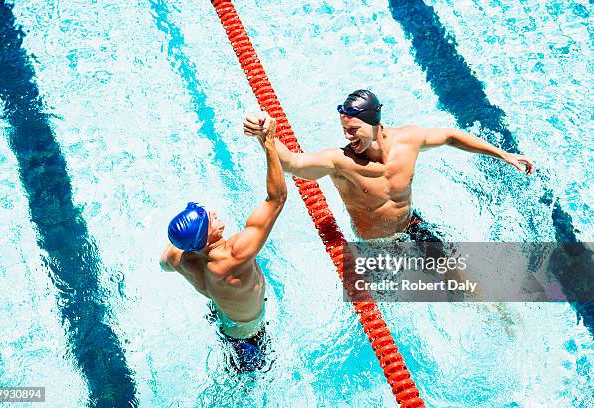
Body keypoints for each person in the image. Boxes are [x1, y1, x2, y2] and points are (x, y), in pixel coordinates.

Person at [243, 89, 534, 242]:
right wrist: (265, 137)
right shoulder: (341, 161)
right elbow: (293, 163)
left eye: (354, 129)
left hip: (412, 226)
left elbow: (450, 136)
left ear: (374, 123)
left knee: (462, 282)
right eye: (344, 129)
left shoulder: (408, 140)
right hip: (376, 247)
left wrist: (503, 154)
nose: (347, 136)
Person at [160, 115, 286, 373]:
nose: (215, 213)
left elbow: (164, 262)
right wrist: (269, 142)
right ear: (205, 238)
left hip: (225, 317)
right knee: (253, 379)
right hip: (247, 335)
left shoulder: (180, 257)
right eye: (209, 218)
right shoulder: (234, 256)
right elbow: (277, 198)